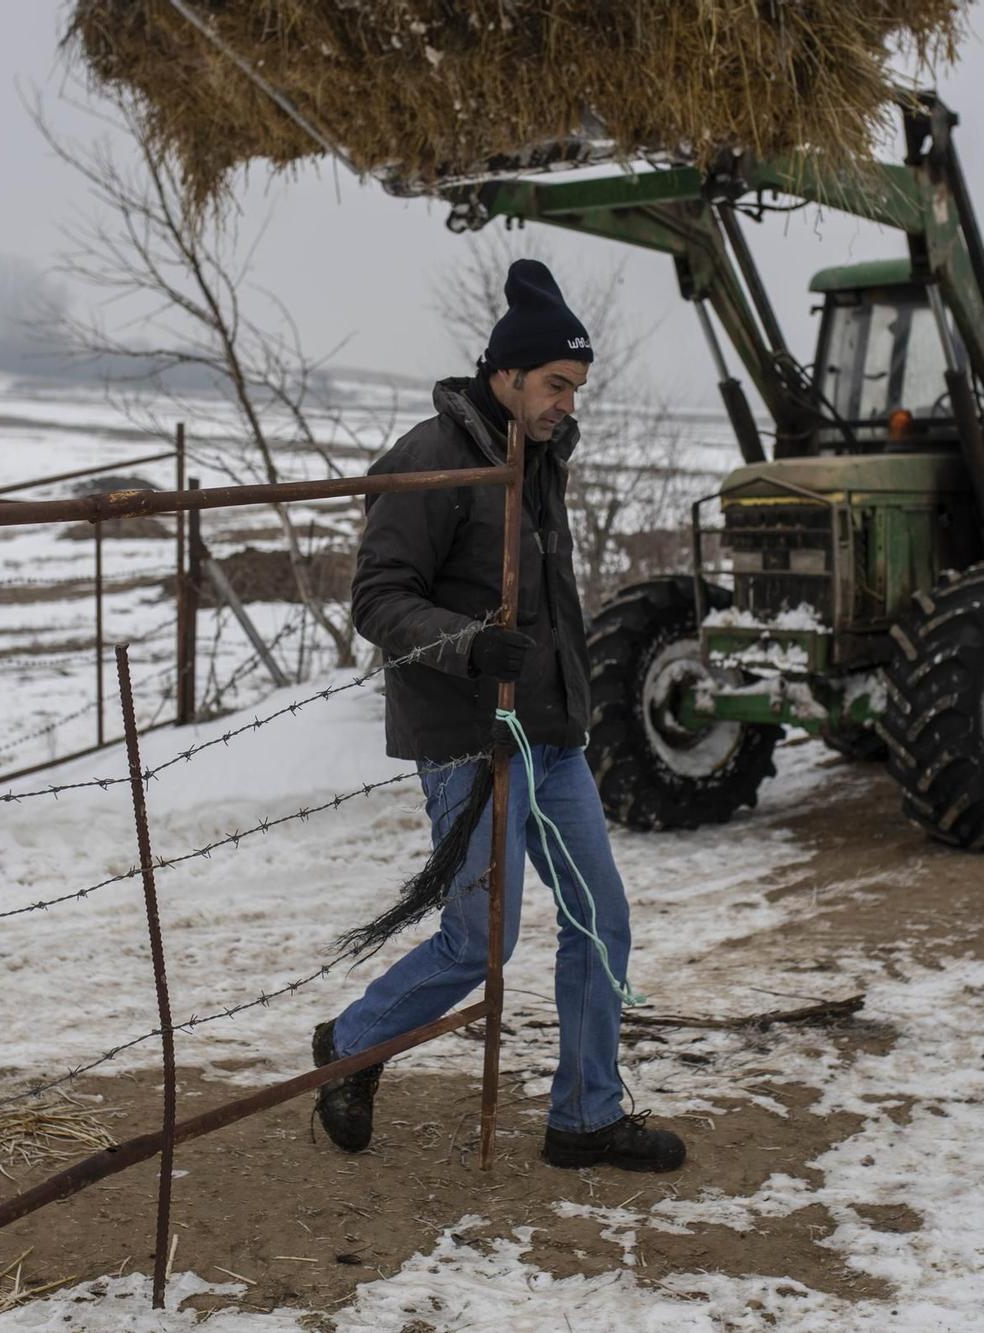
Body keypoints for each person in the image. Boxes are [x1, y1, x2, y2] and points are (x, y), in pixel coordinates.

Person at [310, 259, 686, 1174]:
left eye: (577, 387)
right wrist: (472, 643)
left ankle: (585, 1117)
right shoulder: (432, 459)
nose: (567, 402)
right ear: (507, 373)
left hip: (551, 737)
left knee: (602, 918)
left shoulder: (537, 456)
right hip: (471, 741)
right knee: (485, 941)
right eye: (556, 383)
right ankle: (354, 1042)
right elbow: (377, 598)